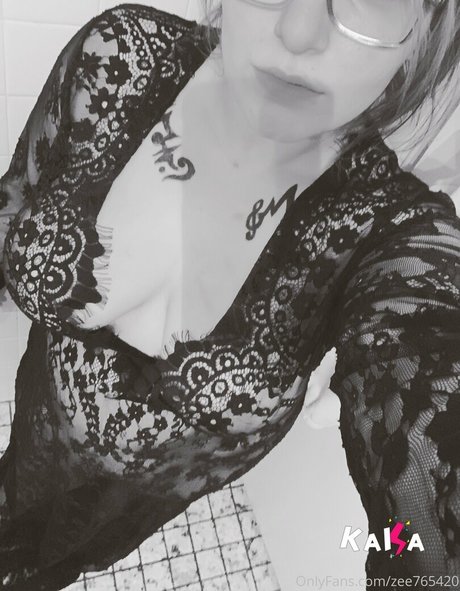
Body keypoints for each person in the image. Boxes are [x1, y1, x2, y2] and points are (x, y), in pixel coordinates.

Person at [0, 0, 459, 588]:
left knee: (59, 561)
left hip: (135, 502)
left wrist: (408, 545)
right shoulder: (114, 57)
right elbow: (16, 197)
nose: (297, 31)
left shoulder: (391, 237)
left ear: (430, 24)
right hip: (35, 418)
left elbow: (429, 536)